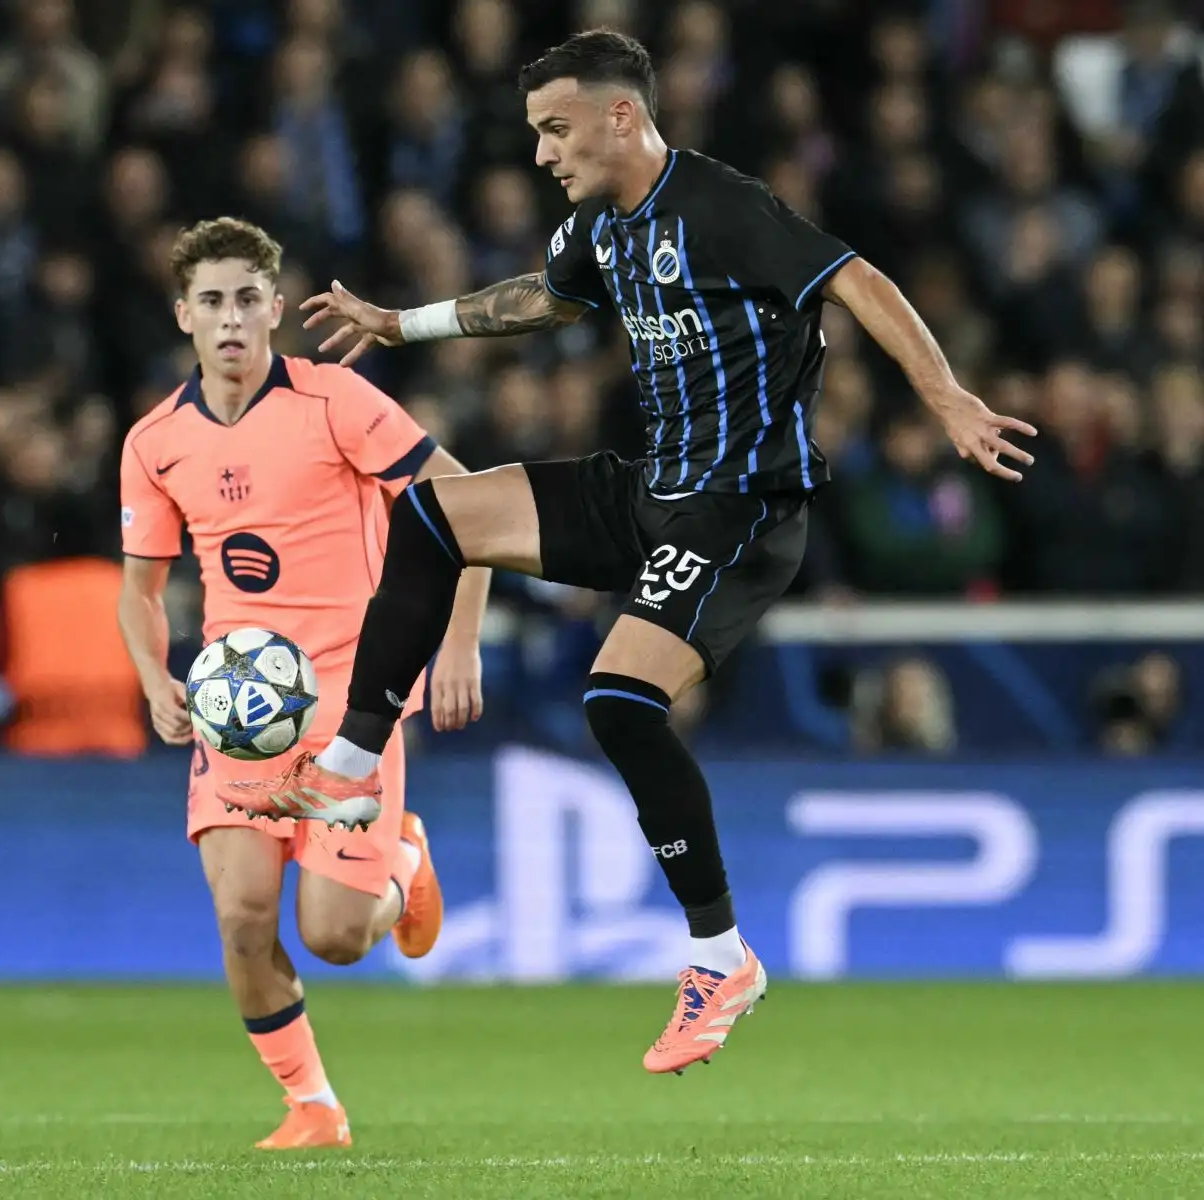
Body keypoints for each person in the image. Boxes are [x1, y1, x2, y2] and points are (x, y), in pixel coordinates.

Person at [222, 30, 1036, 1075]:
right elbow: (538, 300)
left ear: (619, 116)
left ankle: (719, 956)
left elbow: (858, 280)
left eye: (555, 130)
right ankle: (348, 766)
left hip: (738, 512)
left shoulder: (721, 207)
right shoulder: (600, 226)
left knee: (618, 700)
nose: (541, 154)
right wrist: (398, 323)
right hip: (652, 488)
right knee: (429, 517)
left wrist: (948, 397)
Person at [117, 217, 490, 1149]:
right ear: (183, 318)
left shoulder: (338, 403)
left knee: (334, 936)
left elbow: (469, 502)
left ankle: (402, 867)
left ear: (277, 310)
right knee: (243, 918)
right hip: (241, 712)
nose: (232, 319)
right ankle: (313, 1107)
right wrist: (153, 674)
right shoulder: (156, 442)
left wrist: (458, 643)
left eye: (249, 299)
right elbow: (139, 589)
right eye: (212, 301)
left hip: (354, 700)